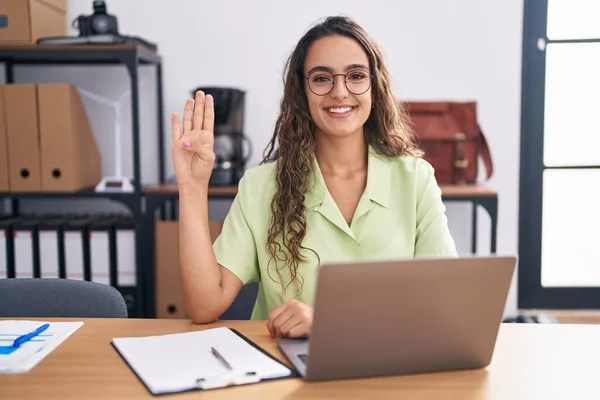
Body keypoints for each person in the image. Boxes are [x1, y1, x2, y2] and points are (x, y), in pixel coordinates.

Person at [170, 15, 457, 339]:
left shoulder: (415, 180)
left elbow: (442, 303)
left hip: (391, 367)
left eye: (356, 76)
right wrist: (192, 188)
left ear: (375, 87)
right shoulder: (262, 186)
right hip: (289, 378)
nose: (339, 91)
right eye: (322, 79)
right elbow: (204, 305)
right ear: (301, 91)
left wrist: (329, 321)